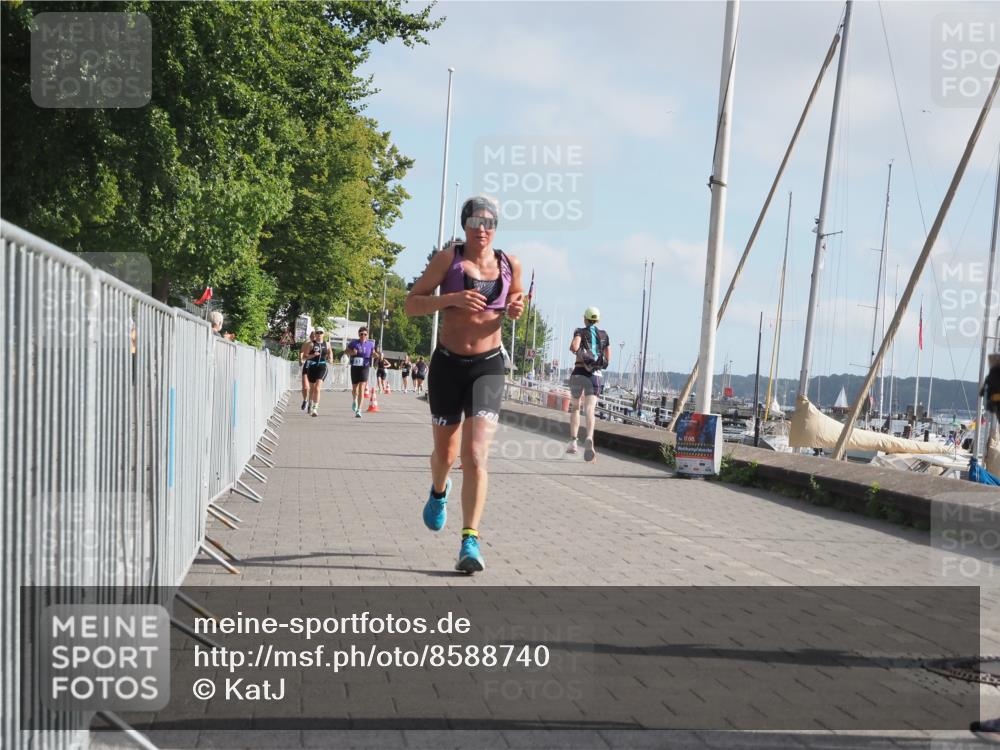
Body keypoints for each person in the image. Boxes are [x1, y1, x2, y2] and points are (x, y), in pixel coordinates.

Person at [405, 195, 524, 573]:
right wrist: (452, 299)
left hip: (488, 366)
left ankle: (469, 540)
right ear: (465, 226)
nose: (483, 229)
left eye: (490, 223)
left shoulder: (509, 263)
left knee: (475, 455)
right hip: (448, 364)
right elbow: (412, 303)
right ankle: (438, 491)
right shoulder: (449, 259)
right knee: (446, 455)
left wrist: (518, 306)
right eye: (476, 222)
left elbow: (516, 296)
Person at [567, 307, 611, 463]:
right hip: (595, 376)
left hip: (579, 373)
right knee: (590, 409)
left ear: (584, 319)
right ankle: (589, 438)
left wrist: (580, 353)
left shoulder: (579, 331)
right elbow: (607, 358)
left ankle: (573, 442)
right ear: (598, 320)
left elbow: (574, 347)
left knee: (575, 407)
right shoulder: (604, 335)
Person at [345, 326, 376, 418]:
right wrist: (352, 353)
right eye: (361, 334)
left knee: (362, 388)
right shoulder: (354, 343)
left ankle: (359, 410)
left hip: (365, 367)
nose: (363, 336)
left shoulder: (370, 344)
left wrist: (375, 355)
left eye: (365, 334)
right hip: (355, 367)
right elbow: (345, 351)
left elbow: (374, 353)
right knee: (355, 388)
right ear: (359, 334)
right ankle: (354, 399)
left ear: (367, 335)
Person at [300, 327, 331, 417]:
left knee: (317, 388)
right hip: (311, 366)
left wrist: (331, 358)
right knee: (310, 388)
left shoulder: (327, 344)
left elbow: (330, 352)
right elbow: (304, 356)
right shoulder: (310, 344)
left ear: (323, 334)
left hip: (322, 366)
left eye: (321, 333)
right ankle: (308, 401)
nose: (319, 334)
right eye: (317, 333)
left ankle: (315, 408)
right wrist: (313, 355)